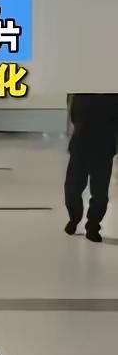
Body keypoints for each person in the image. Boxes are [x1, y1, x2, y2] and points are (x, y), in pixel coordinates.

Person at [64, 93, 118, 243]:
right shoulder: (79, 93)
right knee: (72, 189)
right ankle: (74, 219)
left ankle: (93, 226)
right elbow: (73, 116)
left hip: (104, 148)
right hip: (80, 146)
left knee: (99, 193)